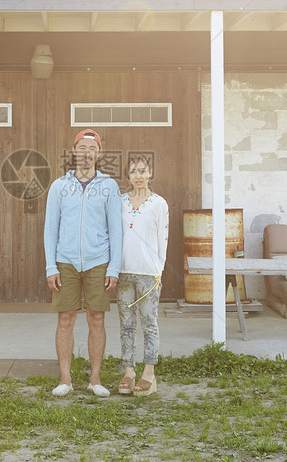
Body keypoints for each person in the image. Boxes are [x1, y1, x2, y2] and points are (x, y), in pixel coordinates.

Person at [44, 129, 122, 397]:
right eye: (82, 147)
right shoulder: (59, 187)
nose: (87, 153)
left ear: (98, 154)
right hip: (65, 262)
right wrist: (50, 267)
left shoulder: (109, 186)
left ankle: (95, 379)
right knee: (65, 319)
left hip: (98, 261)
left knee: (96, 319)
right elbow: (49, 230)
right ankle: (65, 379)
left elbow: (117, 230)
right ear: (74, 152)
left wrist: (113, 267)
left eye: (92, 148)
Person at [117, 155, 169, 397]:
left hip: (149, 274)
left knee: (149, 324)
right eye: (133, 171)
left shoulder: (159, 204)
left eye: (142, 170)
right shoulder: (120, 202)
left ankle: (149, 373)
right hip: (124, 272)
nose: (138, 175)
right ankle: (128, 371)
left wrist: (158, 270)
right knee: (126, 324)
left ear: (150, 174)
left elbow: (163, 240)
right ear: (128, 176)